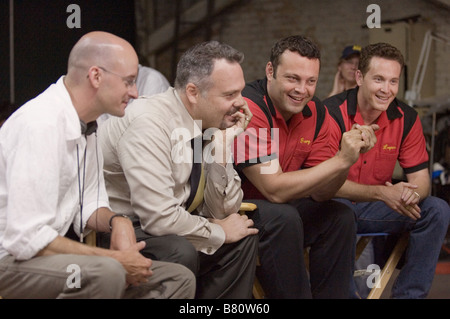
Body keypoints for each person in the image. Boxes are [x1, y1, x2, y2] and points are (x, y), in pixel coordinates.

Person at [0, 31, 195, 299]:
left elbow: (89, 206)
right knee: (107, 272)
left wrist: (119, 221)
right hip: (9, 262)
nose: (136, 93)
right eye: (128, 82)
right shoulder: (40, 125)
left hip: (43, 258)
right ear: (96, 76)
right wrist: (112, 259)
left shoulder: (89, 126)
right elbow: (26, 239)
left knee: (177, 278)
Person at [98, 40, 259, 299]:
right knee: (179, 249)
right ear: (194, 92)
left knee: (243, 238)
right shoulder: (149, 123)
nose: (241, 104)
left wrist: (222, 149)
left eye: (240, 92)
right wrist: (218, 232)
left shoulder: (207, 121)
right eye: (229, 95)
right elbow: (158, 218)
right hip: (125, 228)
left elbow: (222, 211)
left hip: (172, 219)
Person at [233, 35, 378, 298]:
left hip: (282, 212)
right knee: (284, 216)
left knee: (339, 216)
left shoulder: (317, 113)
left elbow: (322, 193)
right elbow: (273, 189)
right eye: (293, 78)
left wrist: (348, 159)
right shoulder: (249, 108)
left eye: (310, 81)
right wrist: (340, 160)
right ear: (270, 71)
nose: (302, 89)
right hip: (236, 211)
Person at [324, 42, 450, 298]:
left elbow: (422, 181)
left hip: (374, 208)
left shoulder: (407, 117)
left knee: (437, 209)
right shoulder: (329, 112)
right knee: (342, 210)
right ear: (359, 77)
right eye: (379, 79)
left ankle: (408, 296)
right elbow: (323, 186)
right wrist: (383, 193)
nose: (386, 89)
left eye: (393, 81)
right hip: (332, 207)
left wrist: (410, 194)